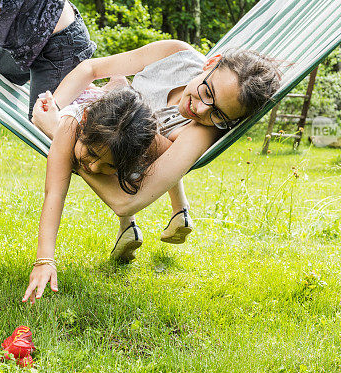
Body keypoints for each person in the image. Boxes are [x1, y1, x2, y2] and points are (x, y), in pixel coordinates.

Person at [32, 39, 281, 269]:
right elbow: (91, 69)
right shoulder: (175, 55)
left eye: (219, 115)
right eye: (207, 92)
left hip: (119, 153)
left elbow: (125, 201)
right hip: (108, 123)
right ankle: (172, 212)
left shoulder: (199, 133)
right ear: (211, 63)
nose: (200, 109)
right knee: (117, 88)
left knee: (122, 136)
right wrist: (55, 107)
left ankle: (143, 221)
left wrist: (58, 131)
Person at [21, 86, 163, 304]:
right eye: (92, 153)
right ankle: (128, 224)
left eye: (108, 165)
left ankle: (129, 223)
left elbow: (175, 156)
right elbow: (54, 194)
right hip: (68, 93)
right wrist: (44, 260)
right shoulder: (70, 125)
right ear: (85, 123)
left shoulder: (145, 139)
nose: (94, 168)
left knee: (127, 168)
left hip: (118, 110)